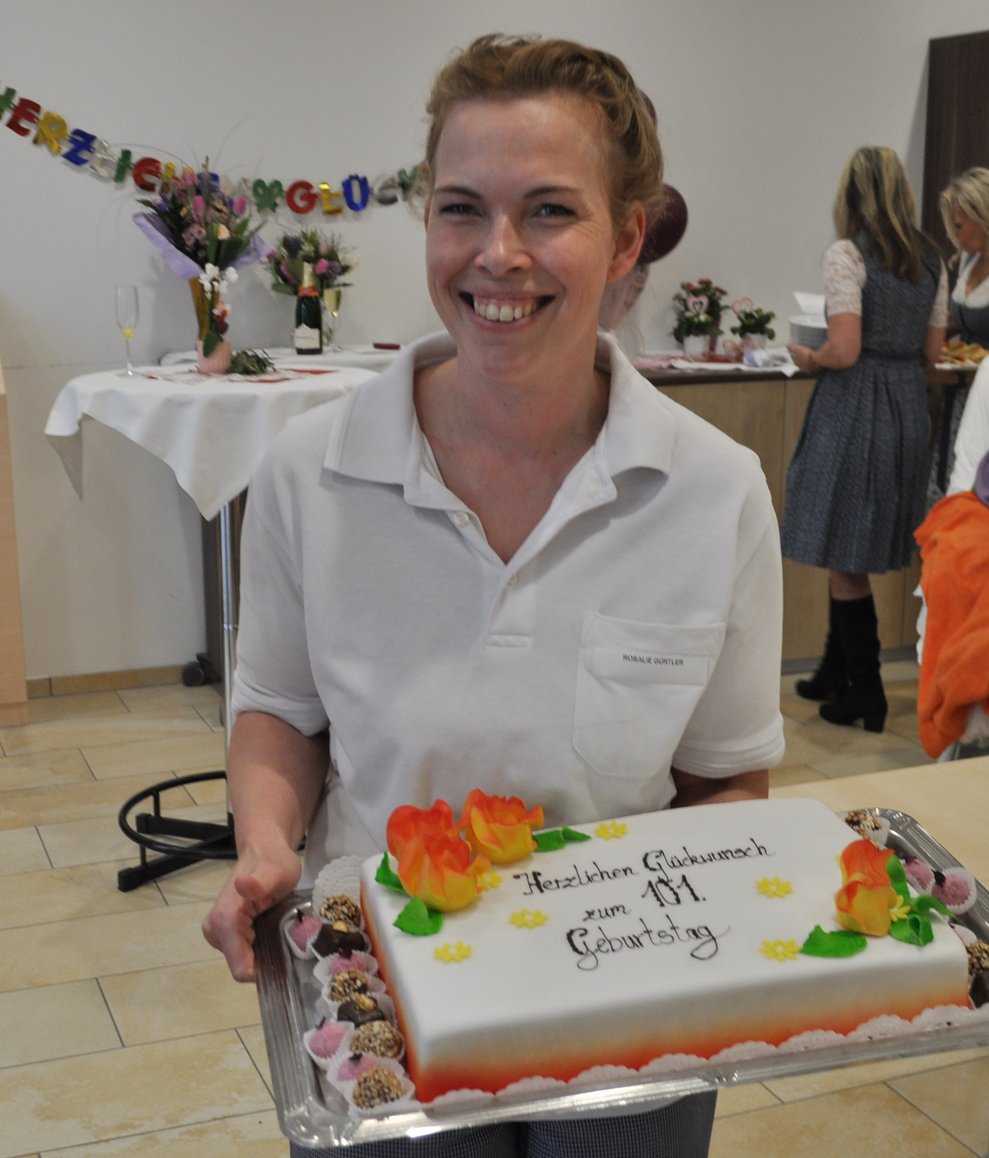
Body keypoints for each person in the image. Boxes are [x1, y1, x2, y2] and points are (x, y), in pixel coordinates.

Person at [203, 33, 784, 1158]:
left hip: (637, 1025)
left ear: (627, 236)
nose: (496, 255)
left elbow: (724, 779)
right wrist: (268, 842)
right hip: (385, 995)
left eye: (549, 212)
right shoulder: (308, 472)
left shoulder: (712, 492)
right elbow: (279, 708)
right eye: (461, 208)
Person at [784, 146, 947, 733]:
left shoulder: (847, 253)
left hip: (854, 401)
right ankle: (833, 672)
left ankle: (867, 692)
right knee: (849, 543)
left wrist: (809, 356)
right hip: (906, 403)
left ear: (850, 194)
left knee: (844, 549)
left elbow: (845, 348)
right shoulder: (932, 258)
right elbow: (933, 352)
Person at [927, 167, 989, 504]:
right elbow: (958, 319)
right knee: (950, 479)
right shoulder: (967, 261)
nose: (956, 237)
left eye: (960, 226)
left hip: (985, 395)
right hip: (959, 391)